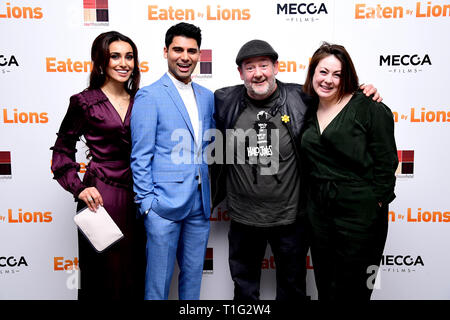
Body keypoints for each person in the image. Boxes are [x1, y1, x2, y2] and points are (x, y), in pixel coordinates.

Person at [212, 39, 381, 301]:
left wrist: (363, 91)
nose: (258, 73)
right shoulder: (224, 100)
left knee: (293, 291)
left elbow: (337, 96)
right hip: (244, 219)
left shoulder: (301, 98)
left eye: (264, 66)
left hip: (290, 220)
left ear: (276, 67)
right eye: (250, 67)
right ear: (240, 73)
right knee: (244, 292)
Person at [50, 31, 145, 299]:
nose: (124, 63)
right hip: (100, 197)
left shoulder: (143, 100)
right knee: (100, 275)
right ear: (101, 60)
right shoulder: (84, 102)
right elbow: (62, 149)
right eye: (115, 56)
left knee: (135, 273)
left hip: (139, 199)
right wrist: (78, 188)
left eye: (129, 57)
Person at [300, 42, 398, 300]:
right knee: (326, 285)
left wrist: (375, 202)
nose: (328, 80)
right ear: (312, 73)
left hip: (360, 214)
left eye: (337, 74)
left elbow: (387, 161)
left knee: (356, 289)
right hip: (319, 213)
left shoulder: (368, 106)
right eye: (323, 72)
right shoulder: (307, 107)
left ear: (347, 77)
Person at [130, 23, 214, 300]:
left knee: (192, 281)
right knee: (158, 285)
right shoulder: (149, 95)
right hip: (162, 207)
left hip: (199, 207)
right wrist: (147, 205)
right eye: (178, 49)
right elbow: (140, 155)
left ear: (199, 54)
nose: (185, 56)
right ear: (166, 52)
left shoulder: (207, 97)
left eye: (191, 50)